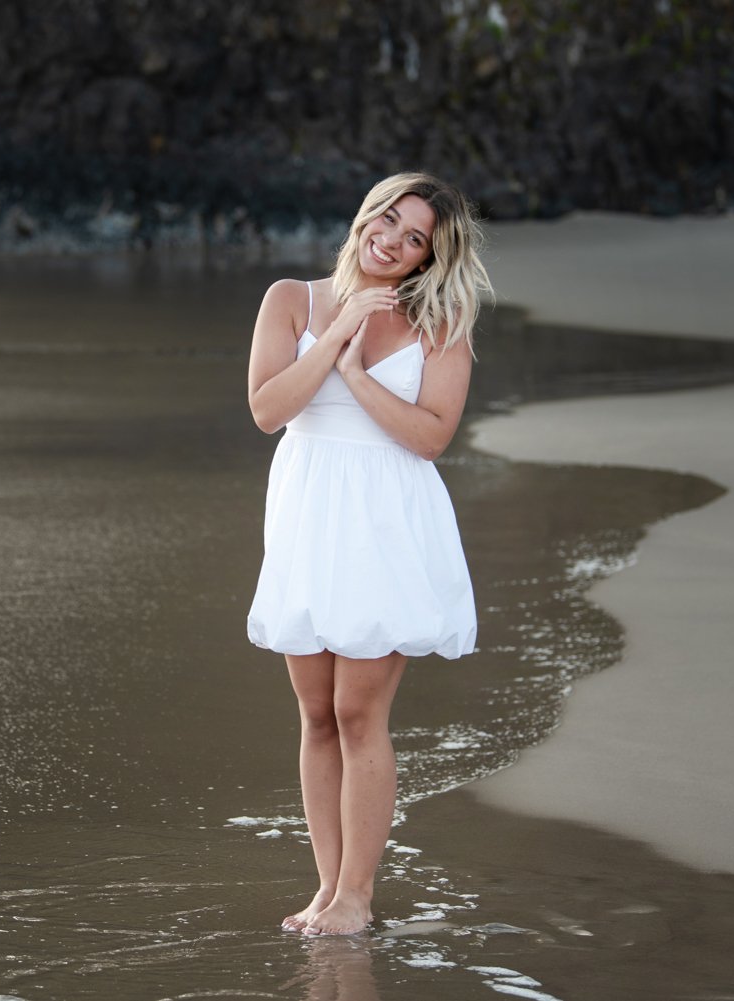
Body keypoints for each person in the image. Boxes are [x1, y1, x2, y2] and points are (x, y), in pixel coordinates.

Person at [245, 172, 492, 936]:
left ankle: (358, 893)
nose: (392, 238)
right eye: (388, 219)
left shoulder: (440, 321)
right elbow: (267, 410)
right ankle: (326, 887)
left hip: (387, 520)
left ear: (426, 258)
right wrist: (341, 328)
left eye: (414, 236)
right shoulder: (291, 299)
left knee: (359, 709)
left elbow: (430, 436)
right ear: (366, 215)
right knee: (316, 711)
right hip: (309, 514)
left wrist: (355, 369)